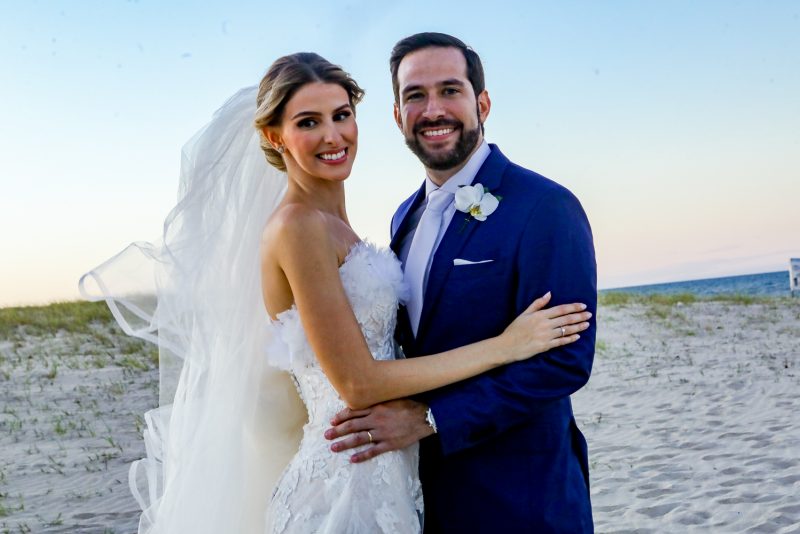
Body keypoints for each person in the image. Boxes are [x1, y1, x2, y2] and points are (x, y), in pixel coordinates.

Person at [80, 52, 590, 533]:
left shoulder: (378, 222)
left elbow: (552, 360)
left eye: (341, 115)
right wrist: (507, 346)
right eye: (308, 122)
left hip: (409, 472)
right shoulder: (296, 227)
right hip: (346, 475)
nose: (332, 135)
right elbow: (358, 383)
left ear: (482, 102)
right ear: (273, 136)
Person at [325, 33, 598, 532]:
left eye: (450, 90)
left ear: (482, 102)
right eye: (415, 95)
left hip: (521, 500)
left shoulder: (545, 207)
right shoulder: (402, 217)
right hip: (424, 495)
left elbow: (564, 362)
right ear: (396, 115)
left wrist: (430, 419)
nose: (433, 110)